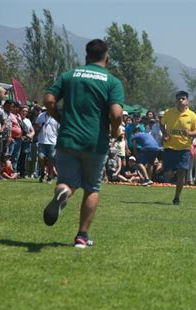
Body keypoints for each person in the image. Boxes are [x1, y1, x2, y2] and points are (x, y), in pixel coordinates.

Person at [42, 38, 124, 249]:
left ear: (86, 56)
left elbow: (49, 100)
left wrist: (59, 118)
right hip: (94, 143)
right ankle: (81, 236)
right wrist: (115, 132)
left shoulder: (70, 75)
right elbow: (116, 114)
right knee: (91, 187)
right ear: (107, 58)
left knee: (67, 182)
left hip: (68, 138)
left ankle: (63, 194)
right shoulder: (112, 81)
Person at [160, 90, 196, 205]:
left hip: (184, 148)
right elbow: (161, 123)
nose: (180, 100)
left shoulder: (192, 115)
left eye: (183, 98)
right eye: (178, 98)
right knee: (167, 175)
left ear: (187, 101)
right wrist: (165, 134)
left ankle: (177, 197)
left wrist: (189, 133)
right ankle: (171, 172)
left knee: (182, 172)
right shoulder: (169, 112)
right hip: (170, 147)